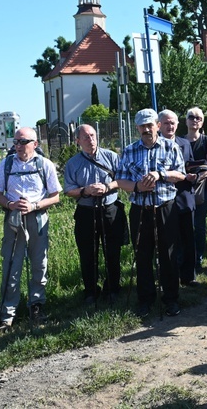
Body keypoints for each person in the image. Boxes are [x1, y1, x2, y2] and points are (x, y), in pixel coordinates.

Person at [0, 127, 61, 331]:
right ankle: (7, 314)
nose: (18, 146)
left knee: (39, 263)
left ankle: (36, 306)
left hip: (37, 218)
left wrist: (34, 205)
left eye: (23, 142)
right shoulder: (7, 163)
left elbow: (55, 195)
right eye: (16, 142)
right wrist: (10, 205)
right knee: (12, 265)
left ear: (35, 144)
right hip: (13, 220)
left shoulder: (44, 164)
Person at [116, 108, 186, 318]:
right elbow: (120, 181)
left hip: (165, 208)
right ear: (137, 128)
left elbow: (181, 174)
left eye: (150, 125)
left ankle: (171, 299)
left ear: (157, 125)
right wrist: (137, 186)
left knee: (168, 254)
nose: (147, 129)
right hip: (140, 209)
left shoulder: (170, 146)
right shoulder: (129, 150)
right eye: (142, 126)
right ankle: (145, 300)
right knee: (143, 255)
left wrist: (160, 174)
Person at [63, 124, 127, 306]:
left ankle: (113, 288)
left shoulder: (112, 157)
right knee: (87, 253)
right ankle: (90, 291)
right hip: (85, 212)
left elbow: (123, 181)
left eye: (92, 135)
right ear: (77, 141)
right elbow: (68, 191)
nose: (90, 139)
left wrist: (107, 187)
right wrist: (86, 190)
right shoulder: (73, 163)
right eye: (85, 137)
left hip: (110, 209)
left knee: (112, 251)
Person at [159, 110, 199, 287]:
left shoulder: (184, 143)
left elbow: (189, 167)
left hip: (183, 196)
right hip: (162, 200)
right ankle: (167, 276)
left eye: (173, 123)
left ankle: (188, 276)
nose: (170, 126)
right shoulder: (155, 145)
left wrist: (192, 176)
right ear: (159, 125)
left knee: (188, 238)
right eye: (166, 123)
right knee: (167, 241)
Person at [183, 107, 207, 271]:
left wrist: (201, 176)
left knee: (199, 225)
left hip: (203, 190)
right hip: (183, 189)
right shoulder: (179, 141)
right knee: (186, 225)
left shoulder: (206, 140)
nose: (195, 120)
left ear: (202, 121)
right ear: (186, 120)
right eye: (191, 117)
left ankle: (199, 259)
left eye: (198, 118)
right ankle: (186, 257)